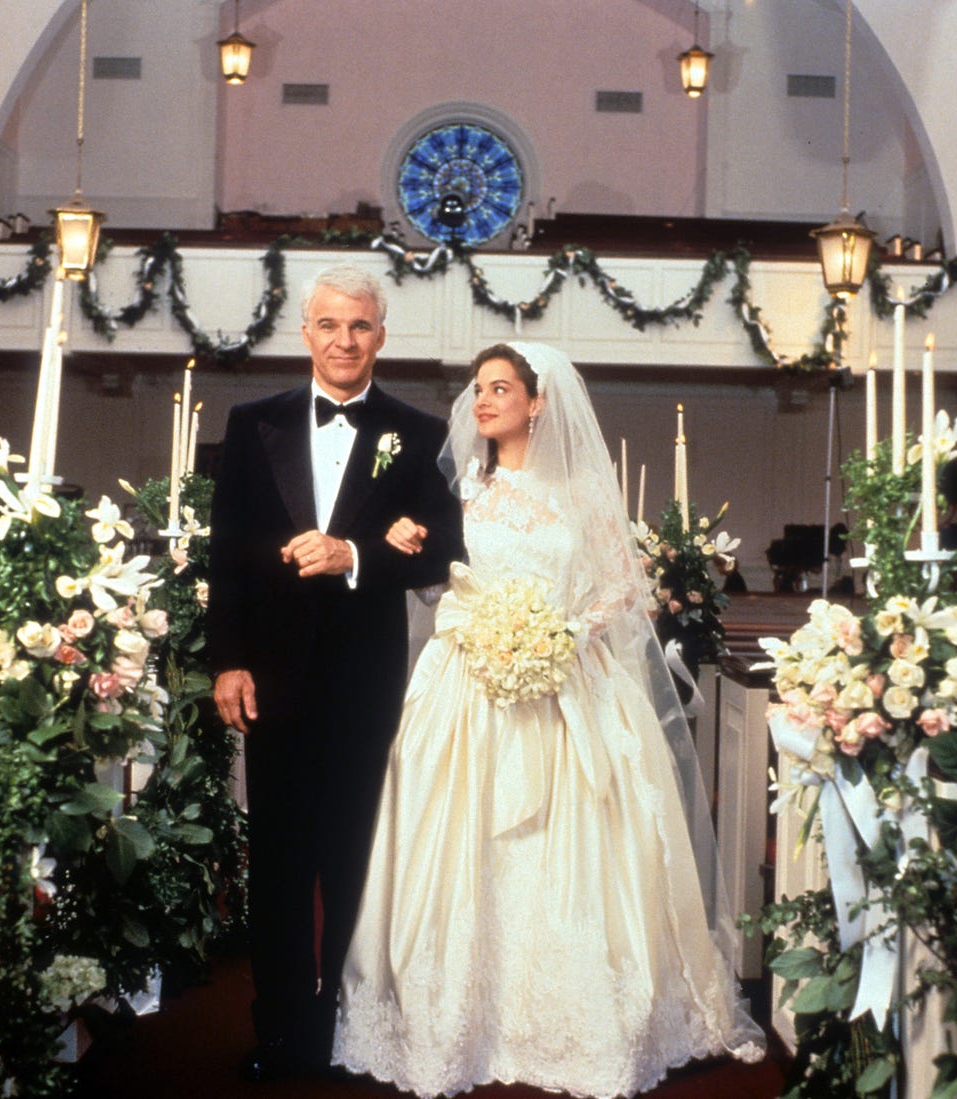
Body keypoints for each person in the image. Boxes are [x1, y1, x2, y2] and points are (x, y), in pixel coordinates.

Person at [334, 342, 765, 1098]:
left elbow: (620, 589)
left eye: (501, 387)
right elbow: (435, 584)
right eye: (477, 389)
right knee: (456, 840)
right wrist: (447, 589)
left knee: (582, 848)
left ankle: (585, 1017)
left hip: (570, 680)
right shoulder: (460, 490)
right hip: (468, 683)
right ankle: (455, 1017)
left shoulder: (581, 495)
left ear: (538, 402)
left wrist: (560, 635)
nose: (483, 400)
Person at [206, 264, 464, 1083]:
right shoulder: (252, 424)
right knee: (279, 860)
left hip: (365, 681)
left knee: (355, 854)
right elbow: (228, 554)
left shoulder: (419, 434)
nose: (344, 340)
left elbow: (446, 548)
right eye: (329, 325)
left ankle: (345, 1029)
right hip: (271, 677)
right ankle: (279, 1030)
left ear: (380, 336)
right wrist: (228, 660)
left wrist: (353, 554)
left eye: (360, 326)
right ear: (305, 332)